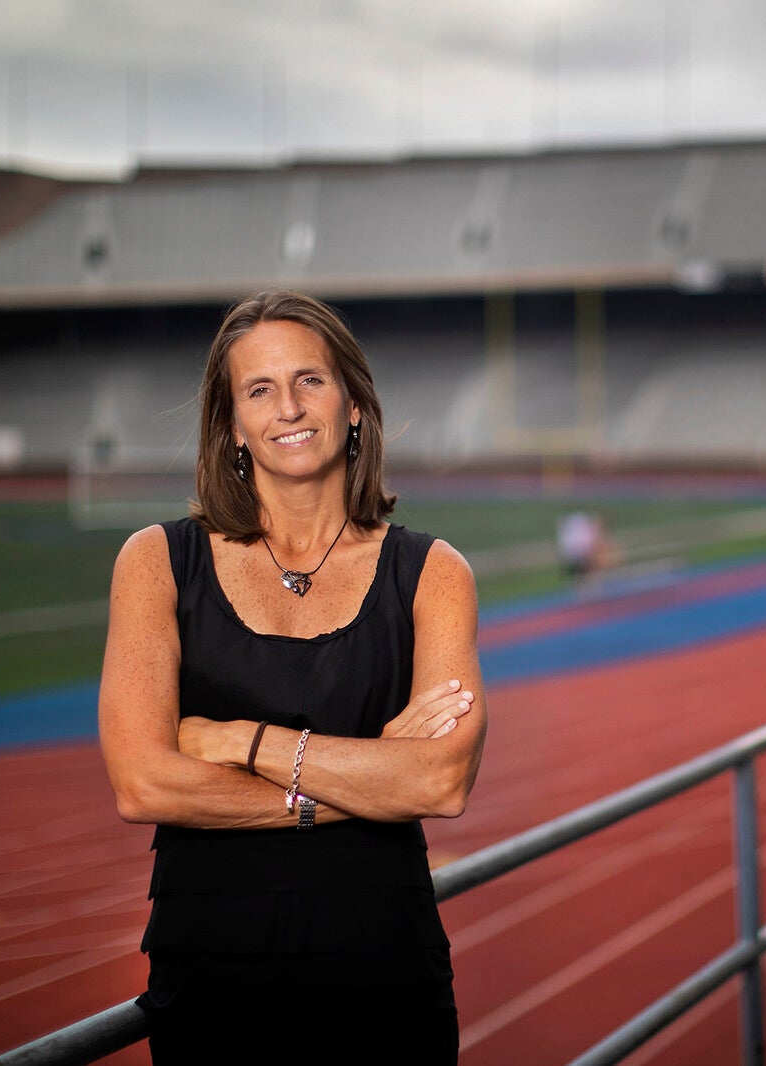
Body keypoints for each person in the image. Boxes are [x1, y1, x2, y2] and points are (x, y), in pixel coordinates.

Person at [98, 290, 487, 1063]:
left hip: (386, 967)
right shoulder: (154, 563)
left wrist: (238, 740)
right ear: (233, 424)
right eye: (259, 389)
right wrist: (369, 775)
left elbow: (440, 781)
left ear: (352, 406)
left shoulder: (434, 573)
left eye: (310, 379)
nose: (288, 407)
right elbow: (143, 784)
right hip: (212, 968)